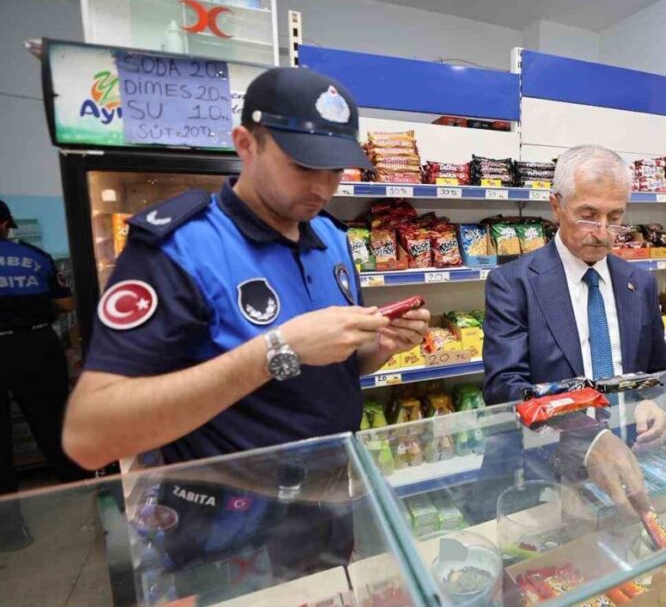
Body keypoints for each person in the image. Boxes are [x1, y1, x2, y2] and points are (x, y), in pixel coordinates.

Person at [60, 68, 429, 578]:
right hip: (221, 528)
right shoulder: (178, 248)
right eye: (303, 165)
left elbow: (321, 378)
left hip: (326, 503)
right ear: (245, 144)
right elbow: (90, 435)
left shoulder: (333, 240)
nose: (323, 186)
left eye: (337, 169)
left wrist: (379, 348)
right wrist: (278, 348)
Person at [482, 144, 666, 510]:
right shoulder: (513, 283)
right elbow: (504, 386)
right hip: (544, 468)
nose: (603, 233)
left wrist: (654, 404)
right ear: (557, 206)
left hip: (628, 458)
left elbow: (656, 373)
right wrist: (589, 436)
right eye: (588, 215)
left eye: (615, 217)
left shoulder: (640, 283)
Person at [0, 200, 89, 551]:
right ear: (7, 223)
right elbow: (67, 304)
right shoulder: (34, 257)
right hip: (35, 343)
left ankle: (10, 529)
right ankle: (78, 487)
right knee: (51, 419)